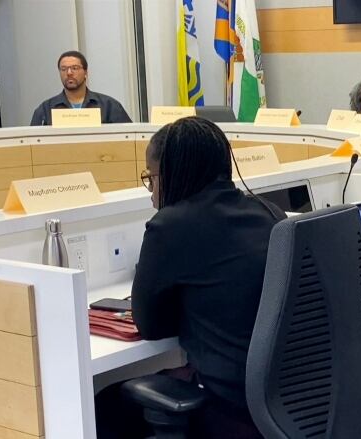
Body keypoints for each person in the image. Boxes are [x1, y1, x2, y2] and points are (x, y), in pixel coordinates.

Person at [95, 117, 283, 439]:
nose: (152, 192)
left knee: (103, 407)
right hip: (288, 400)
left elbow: (150, 326)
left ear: (171, 174)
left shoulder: (170, 227)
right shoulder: (269, 212)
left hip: (232, 410)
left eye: (151, 179)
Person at [30, 50, 132, 126]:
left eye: (75, 68)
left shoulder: (109, 106)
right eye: (64, 69)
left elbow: (128, 139)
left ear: (86, 73)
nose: (69, 73)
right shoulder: (45, 109)